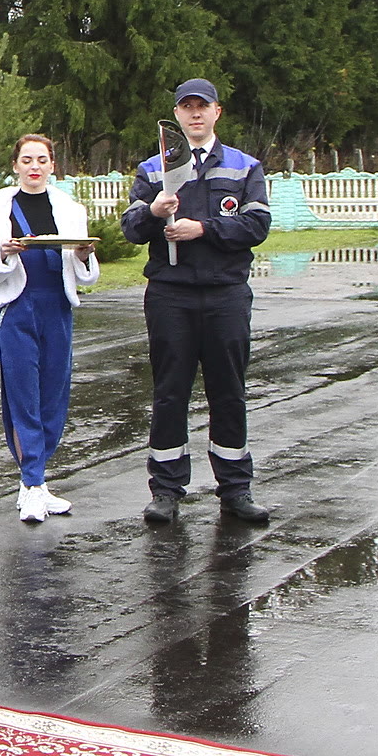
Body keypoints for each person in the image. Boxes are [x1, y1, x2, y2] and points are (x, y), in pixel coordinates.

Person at [122, 78, 272, 525]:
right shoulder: (155, 169)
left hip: (226, 294)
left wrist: (202, 228)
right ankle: (166, 490)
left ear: (216, 113)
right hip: (171, 294)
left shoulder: (245, 167)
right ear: (178, 115)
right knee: (170, 392)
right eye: (186, 108)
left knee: (229, 391)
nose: (195, 114)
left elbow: (257, 226)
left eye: (202, 107)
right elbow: (131, 228)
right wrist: (154, 212)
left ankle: (235, 489)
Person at [0, 135, 100, 523]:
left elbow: (86, 276)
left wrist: (83, 255)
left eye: (42, 159)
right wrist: (3, 254)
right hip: (18, 307)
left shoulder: (69, 209)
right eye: (27, 159)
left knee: (54, 397)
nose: (34, 166)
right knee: (23, 395)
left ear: (52, 165)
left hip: (57, 309)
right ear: (15, 165)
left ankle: (37, 484)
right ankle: (30, 482)